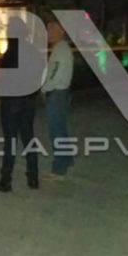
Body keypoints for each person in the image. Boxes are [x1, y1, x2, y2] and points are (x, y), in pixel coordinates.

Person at [0, 18, 46, 192]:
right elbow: (40, 72)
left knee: (10, 141)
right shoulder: (33, 51)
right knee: (28, 137)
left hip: (12, 101)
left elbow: (6, 78)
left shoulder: (11, 51)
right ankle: (33, 177)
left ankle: (6, 180)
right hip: (28, 100)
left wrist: (0, 94)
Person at [41, 21, 74, 181]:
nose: (49, 33)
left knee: (56, 131)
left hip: (57, 94)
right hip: (61, 93)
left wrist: (45, 88)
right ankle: (67, 160)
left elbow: (55, 74)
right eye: (48, 30)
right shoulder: (61, 48)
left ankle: (59, 169)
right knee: (60, 129)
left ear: (61, 31)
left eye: (52, 30)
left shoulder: (60, 49)